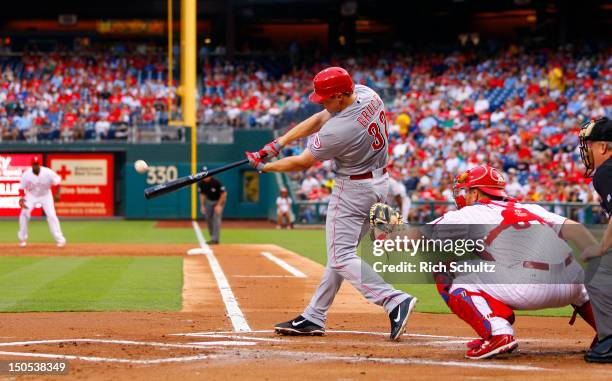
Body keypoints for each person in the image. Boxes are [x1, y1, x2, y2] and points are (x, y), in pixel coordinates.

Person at [246, 66, 417, 341]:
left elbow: (302, 162)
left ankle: (393, 300)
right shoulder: (367, 94)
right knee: (341, 255)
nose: (322, 101)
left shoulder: (340, 130)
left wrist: (266, 167)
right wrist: (278, 143)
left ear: (340, 95)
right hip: (378, 182)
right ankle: (315, 315)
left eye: (326, 97)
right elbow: (319, 117)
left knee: (340, 256)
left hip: (352, 189)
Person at [386, 165, 598, 359]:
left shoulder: (470, 213)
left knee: (446, 267)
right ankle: (607, 331)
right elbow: (577, 230)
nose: (464, 196)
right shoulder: (532, 208)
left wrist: (383, 238)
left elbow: (416, 238)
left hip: (530, 288)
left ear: (476, 192)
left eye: (467, 191)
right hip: (573, 286)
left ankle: (498, 332)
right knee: (573, 272)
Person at [578, 117, 612, 363]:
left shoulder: (606, 171)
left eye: (588, 145)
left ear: (602, 147)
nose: (586, 151)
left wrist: (600, 248)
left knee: (597, 270)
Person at [18, 157, 66, 247]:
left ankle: (60, 239)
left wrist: (58, 194)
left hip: (46, 195)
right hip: (31, 196)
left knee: (52, 215)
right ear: (32, 165)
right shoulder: (26, 174)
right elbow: (21, 188)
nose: (35, 166)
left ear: (39, 164)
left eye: (37, 164)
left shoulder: (47, 172)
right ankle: (22, 239)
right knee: (24, 213)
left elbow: (58, 181)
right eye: (34, 164)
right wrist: (22, 201)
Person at [198, 176, 226, 245]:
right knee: (208, 218)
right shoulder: (201, 183)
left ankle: (215, 239)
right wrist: (202, 205)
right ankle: (213, 236)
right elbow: (202, 195)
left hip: (219, 200)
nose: (205, 177)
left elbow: (224, 194)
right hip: (209, 201)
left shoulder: (216, 182)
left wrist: (219, 205)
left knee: (216, 219)